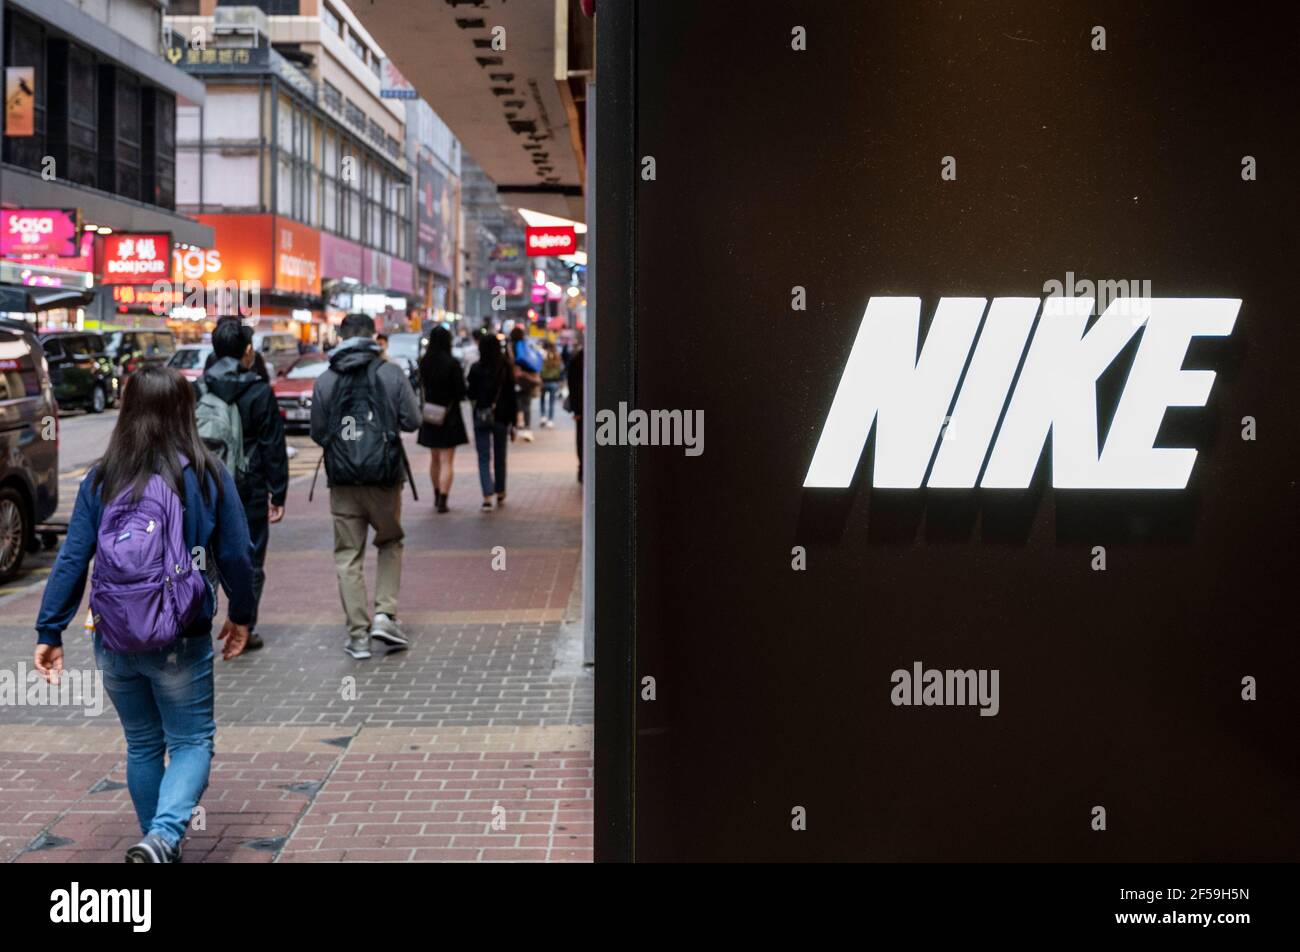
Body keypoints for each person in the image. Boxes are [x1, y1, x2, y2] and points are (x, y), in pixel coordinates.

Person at [33, 366, 255, 863]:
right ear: (185, 410)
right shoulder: (206, 471)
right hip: (181, 632)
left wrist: (51, 629)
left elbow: (73, 556)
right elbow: (238, 555)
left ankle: (157, 844)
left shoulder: (103, 476)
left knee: (142, 744)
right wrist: (241, 615)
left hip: (113, 635)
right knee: (192, 740)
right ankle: (162, 837)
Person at [311, 313, 421, 660]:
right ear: (374, 337)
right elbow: (413, 420)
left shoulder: (326, 379)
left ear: (341, 336)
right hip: (385, 479)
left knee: (348, 555)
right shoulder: (390, 373)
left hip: (342, 481)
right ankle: (384, 616)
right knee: (389, 541)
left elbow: (317, 432)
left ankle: (358, 636)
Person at [196, 318, 288, 652]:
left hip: (204, 486)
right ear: (248, 351)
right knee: (250, 560)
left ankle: (198, 620)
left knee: (201, 556)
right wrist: (278, 492)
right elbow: (273, 447)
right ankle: (244, 624)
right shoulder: (260, 391)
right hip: (247, 489)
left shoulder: (198, 388)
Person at [417, 325, 468, 513]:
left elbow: (420, 387)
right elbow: (461, 392)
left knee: (434, 459)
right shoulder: (452, 363)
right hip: (450, 414)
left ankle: (436, 493)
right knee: (447, 460)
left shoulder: (425, 362)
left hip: (430, 413)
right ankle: (443, 500)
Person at [466, 330, 518, 511]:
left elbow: (470, 394)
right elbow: (512, 397)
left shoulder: (475, 368)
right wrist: (514, 423)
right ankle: (501, 490)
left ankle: (487, 496)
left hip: (481, 415)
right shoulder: (506, 367)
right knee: (500, 456)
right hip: (502, 417)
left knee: (483, 456)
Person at [509, 325, 540, 442]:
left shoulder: (511, 347)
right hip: (527, 380)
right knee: (526, 405)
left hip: (515, 380)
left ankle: (516, 427)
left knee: (516, 405)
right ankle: (527, 429)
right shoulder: (526, 345)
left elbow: (510, 363)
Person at [567, 344, 584, 483]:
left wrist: (576, 409)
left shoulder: (576, 359)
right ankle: (583, 467)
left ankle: (582, 468)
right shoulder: (578, 360)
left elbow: (572, 386)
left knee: (581, 439)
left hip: (581, 410)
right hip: (583, 409)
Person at [539, 341, 563, 428]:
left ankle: (543, 417)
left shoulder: (543, 356)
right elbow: (560, 370)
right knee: (551, 402)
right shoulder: (557, 357)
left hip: (544, 381)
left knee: (542, 400)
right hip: (554, 382)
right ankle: (550, 420)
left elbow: (540, 368)